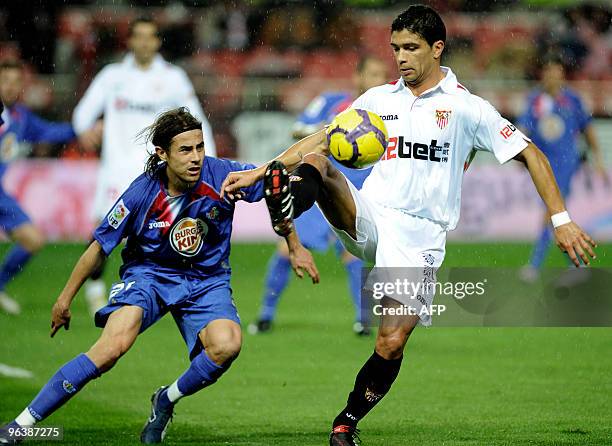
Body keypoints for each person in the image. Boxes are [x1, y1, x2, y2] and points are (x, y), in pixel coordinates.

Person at [221, 6, 597, 446]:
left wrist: (562, 220)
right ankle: (285, 199)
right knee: (318, 163)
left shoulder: (467, 109)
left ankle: (345, 422)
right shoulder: (380, 100)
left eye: (411, 48)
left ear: (437, 48)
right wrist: (258, 170)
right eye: (396, 47)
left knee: (392, 341)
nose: (401, 57)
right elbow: (321, 137)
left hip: (420, 236)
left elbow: (532, 153)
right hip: (371, 213)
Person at [0, 108, 315, 445]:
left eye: (199, 147)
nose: (195, 158)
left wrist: (294, 243)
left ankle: (166, 399)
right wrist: (64, 299)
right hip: (149, 275)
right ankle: (20, 426)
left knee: (227, 345)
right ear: (161, 154)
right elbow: (99, 246)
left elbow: (278, 179)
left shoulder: (222, 175)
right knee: (110, 349)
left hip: (207, 279)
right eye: (185, 150)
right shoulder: (141, 193)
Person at [72, 16, 217, 316]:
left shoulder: (173, 77)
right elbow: (82, 113)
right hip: (118, 168)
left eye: (150, 37)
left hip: (160, 170)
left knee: (169, 230)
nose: (144, 42)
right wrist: (85, 129)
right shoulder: (112, 76)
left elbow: (196, 119)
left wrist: (208, 160)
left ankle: (164, 291)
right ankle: (95, 289)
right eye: (138, 36)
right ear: (131, 41)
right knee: (106, 231)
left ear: (157, 42)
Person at [249, 56, 388, 336]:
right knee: (287, 249)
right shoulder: (331, 102)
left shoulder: (389, 112)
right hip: (320, 185)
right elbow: (298, 129)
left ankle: (363, 321)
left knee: (354, 257)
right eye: (373, 74)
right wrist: (336, 131)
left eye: (383, 75)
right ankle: (265, 315)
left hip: (358, 192)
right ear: (358, 77)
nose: (379, 81)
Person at [0, 61, 89, 315]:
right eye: (5, 80)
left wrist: (80, 129)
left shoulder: (20, 117)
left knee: (33, 239)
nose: (10, 86)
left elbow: (50, 132)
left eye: (16, 81)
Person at [518, 55, 607, 281]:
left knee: (552, 213)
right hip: (542, 164)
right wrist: (518, 154)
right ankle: (575, 263)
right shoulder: (535, 100)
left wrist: (598, 160)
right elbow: (523, 128)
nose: (552, 77)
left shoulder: (572, 100)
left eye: (556, 73)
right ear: (543, 75)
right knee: (557, 215)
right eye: (548, 73)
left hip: (567, 164)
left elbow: (588, 130)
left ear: (562, 75)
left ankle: (535, 265)